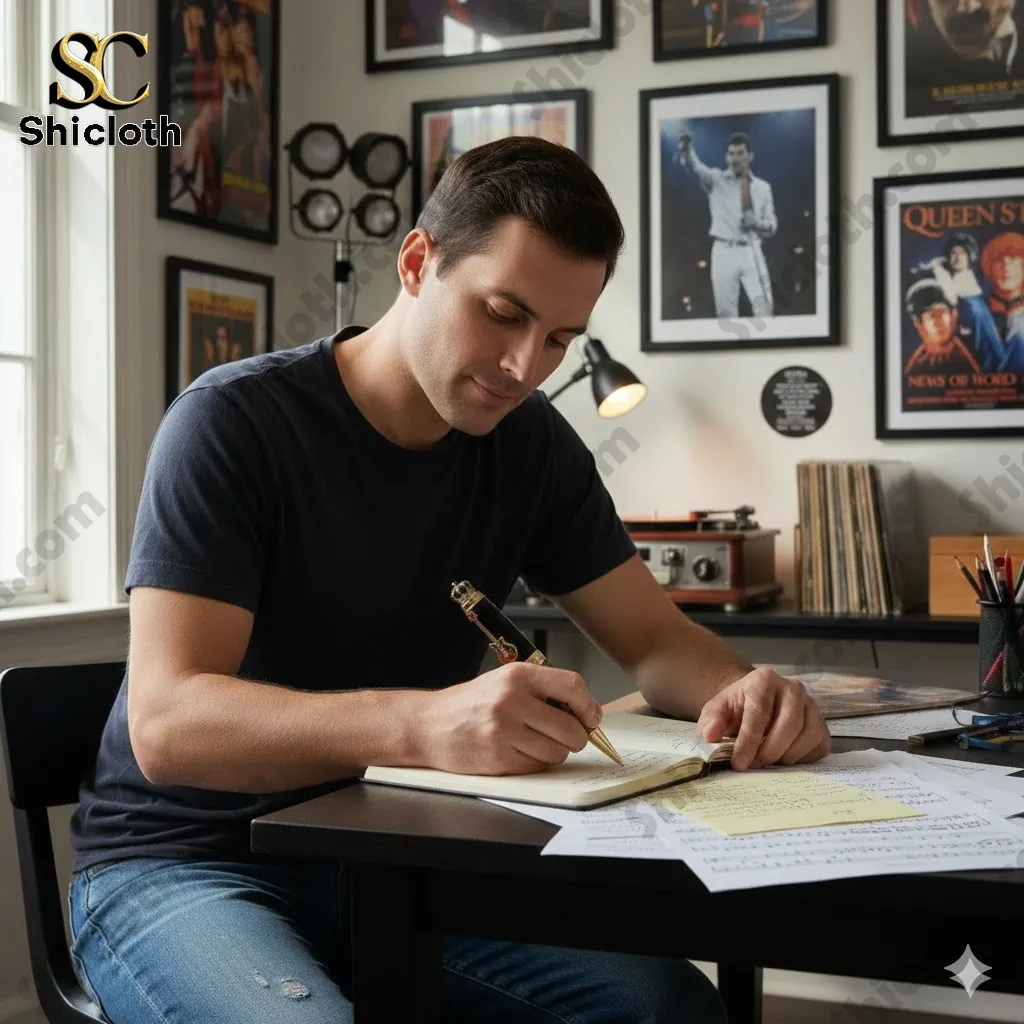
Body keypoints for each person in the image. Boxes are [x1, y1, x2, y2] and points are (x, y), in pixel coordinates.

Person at [67, 135, 830, 1024]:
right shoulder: (232, 423)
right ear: (419, 262)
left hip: (393, 855)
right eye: (503, 314)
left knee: (670, 1011)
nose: (524, 367)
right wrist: (428, 724)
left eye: (559, 339)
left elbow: (657, 643)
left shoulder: (530, 443)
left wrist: (753, 694)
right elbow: (169, 724)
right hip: (181, 861)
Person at [677, 129, 778, 320]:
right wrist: (687, 149)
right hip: (724, 251)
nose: (735, 158)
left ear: (750, 156)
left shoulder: (763, 188)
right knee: (726, 315)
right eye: (731, 154)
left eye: (740, 153)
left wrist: (757, 223)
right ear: (726, 157)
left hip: (752, 250)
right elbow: (694, 167)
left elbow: (772, 225)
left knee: (765, 311)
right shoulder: (716, 180)